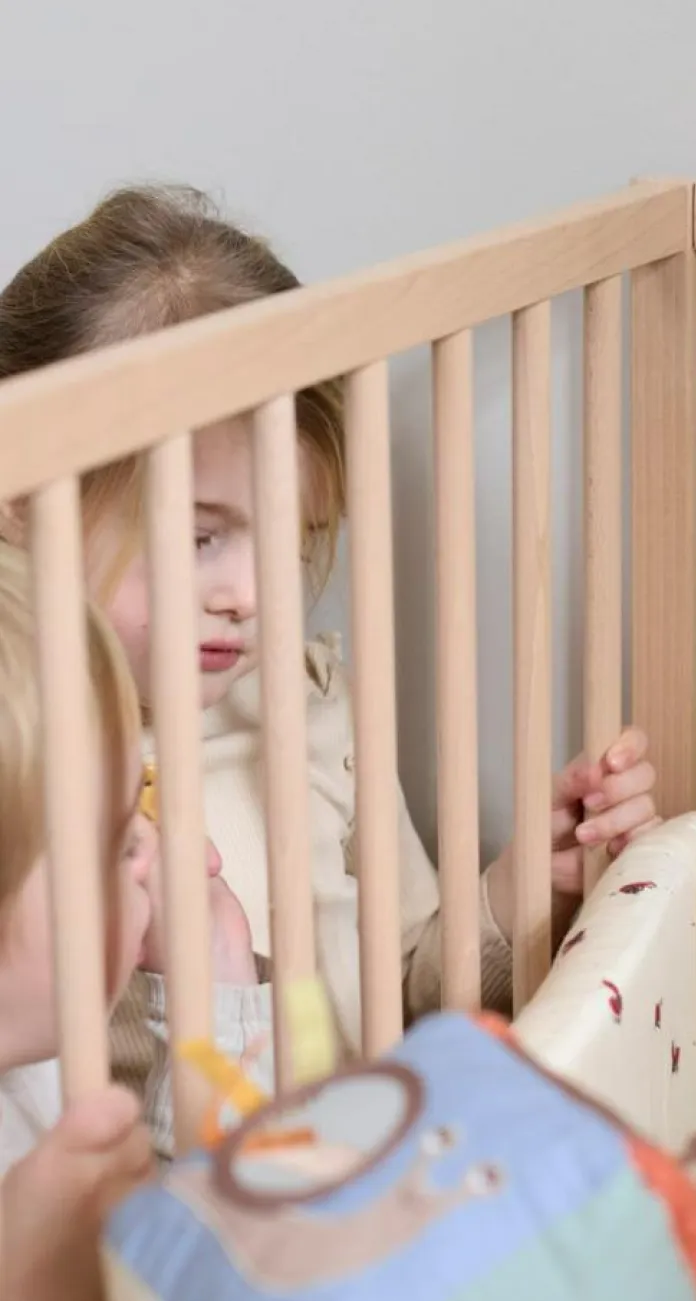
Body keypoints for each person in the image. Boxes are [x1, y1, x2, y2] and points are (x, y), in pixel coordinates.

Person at [0, 184, 659, 1064]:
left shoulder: (313, 708)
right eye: (198, 537)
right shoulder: (24, 767)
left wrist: (523, 890)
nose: (252, 594)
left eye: (293, 538)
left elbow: (396, 1000)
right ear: (21, 503)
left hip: (362, 1131)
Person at [0, 542, 271, 1301]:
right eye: (122, 842)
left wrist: (214, 1001)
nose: (152, 852)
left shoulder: (43, 1057)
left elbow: (187, 1254)